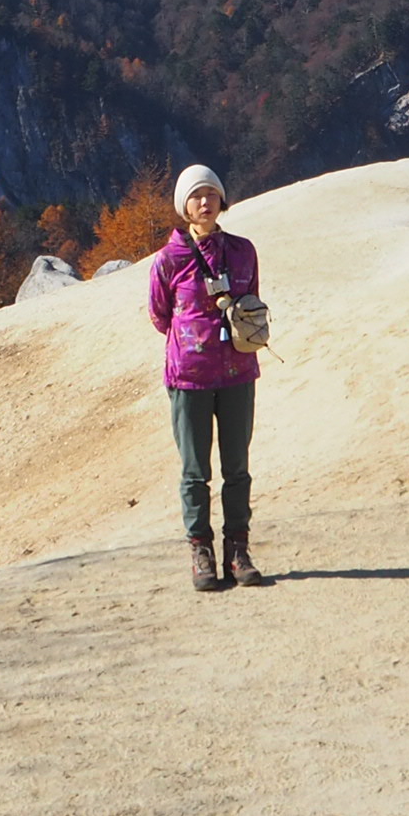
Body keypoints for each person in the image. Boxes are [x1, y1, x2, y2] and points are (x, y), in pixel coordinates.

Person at [148, 163, 268, 592]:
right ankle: (200, 550)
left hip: (237, 370)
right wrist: (192, 337)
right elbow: (159, 315)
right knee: (195, 470)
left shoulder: (242, 251)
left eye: (211, 194)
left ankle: (238, 550)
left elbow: (250, 297)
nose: (204, 202)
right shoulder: (168, 260)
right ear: (184, 206)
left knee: (237, 466)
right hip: (189, 377)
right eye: (196, 196)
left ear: (221, 200)